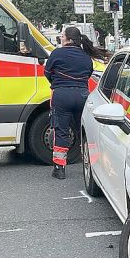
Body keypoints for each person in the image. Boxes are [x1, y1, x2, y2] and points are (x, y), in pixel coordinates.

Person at [44, 26, 108, 179]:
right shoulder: (86, 57)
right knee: (84, 130)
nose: (61, 38)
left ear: (68, 39)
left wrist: (58, 83)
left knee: (61, 131)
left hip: (62, 96)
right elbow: (87, 74)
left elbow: (47, 72)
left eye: (62, 36)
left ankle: (59, 168)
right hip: (82, 96)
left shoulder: (57, 53)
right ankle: (91, 165)